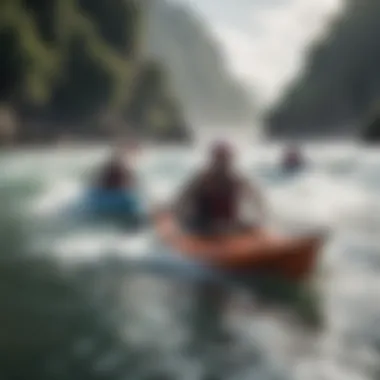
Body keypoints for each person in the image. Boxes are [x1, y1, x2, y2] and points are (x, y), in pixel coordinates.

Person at [174, 140, 266, 236]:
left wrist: (258, 220)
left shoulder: (236, 179)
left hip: (227, 225)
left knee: (242, 225)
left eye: (225, 159)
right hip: (202, 225)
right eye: (220, 159)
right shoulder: (202, 179)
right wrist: (181, 223)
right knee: (215, 225)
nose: (222, 163)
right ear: (213, 159)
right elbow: (182, 200)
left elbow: (257, 199)